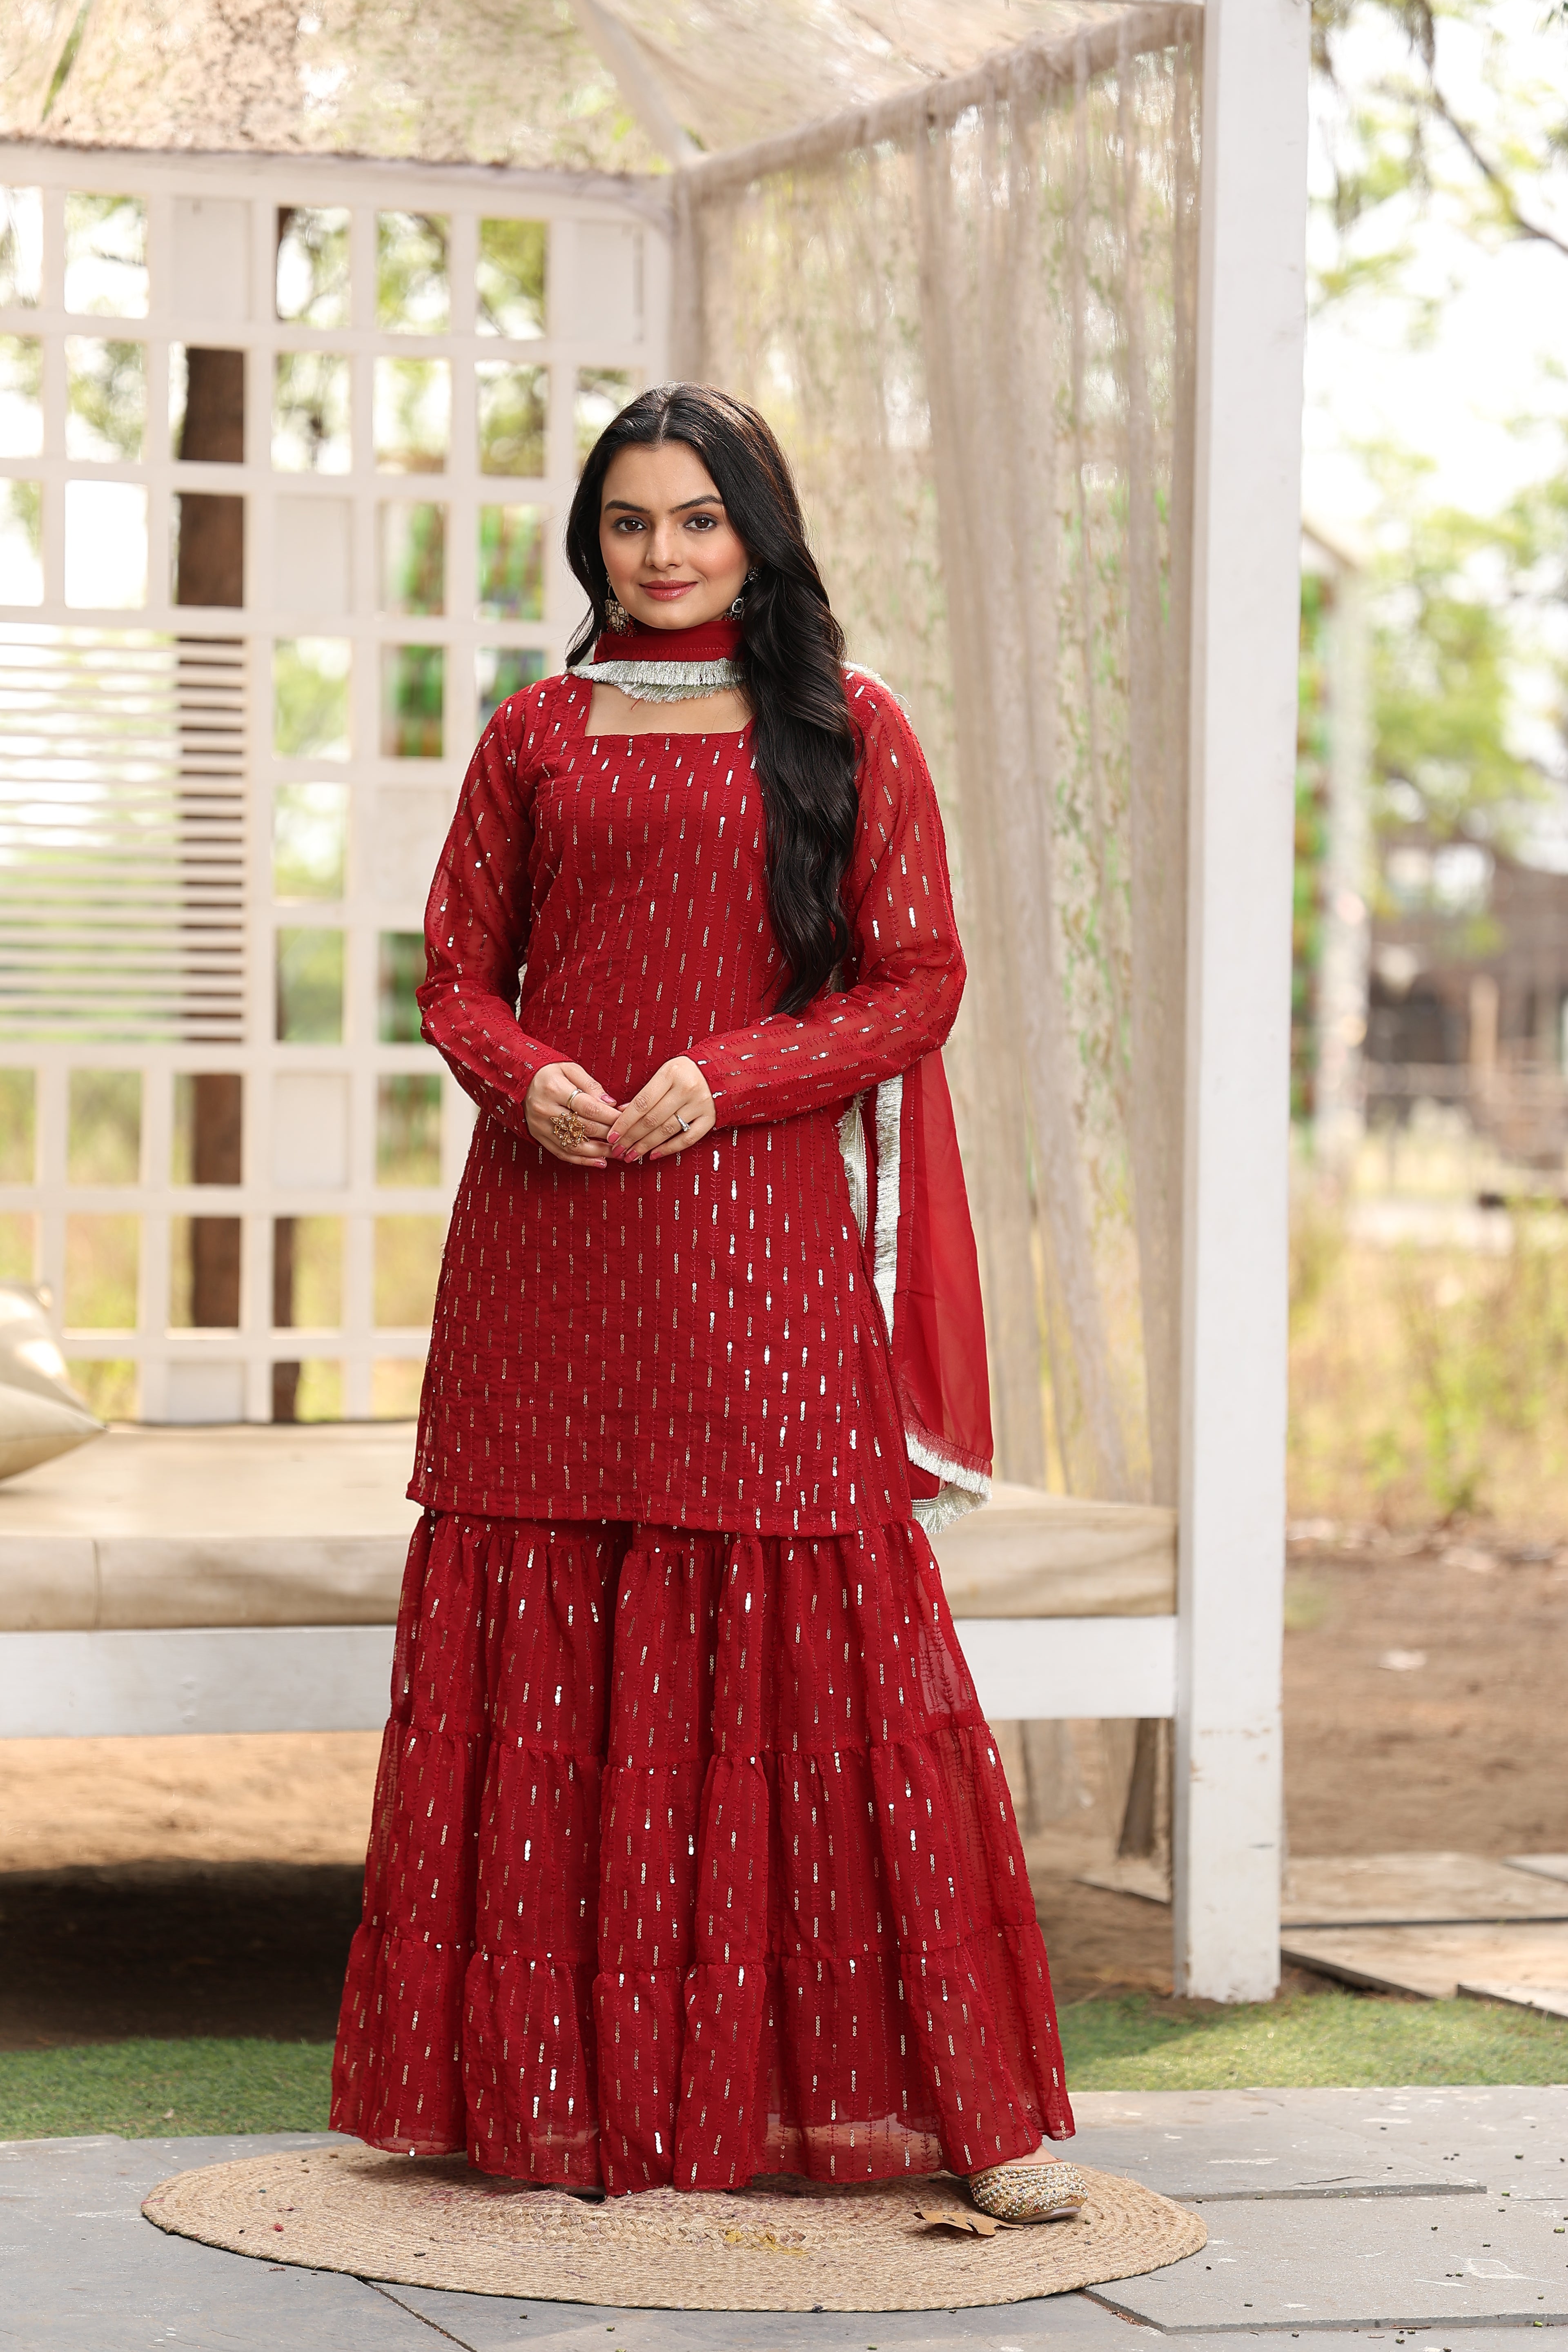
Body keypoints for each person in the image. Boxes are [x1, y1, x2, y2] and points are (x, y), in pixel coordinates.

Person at [331, 383, 1080, 2220]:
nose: (660, 556)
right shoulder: (535, 731)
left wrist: (725, 1078)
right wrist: (528, 1080)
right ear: (593, 541)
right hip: (549, 1240)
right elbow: (451, 972)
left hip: (754, 1242)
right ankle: (544, 2110)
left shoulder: (849, 732)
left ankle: (967, 2122)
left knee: (824, 1644)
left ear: (758, 531)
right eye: (627, 524)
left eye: (695, 521)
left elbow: (917, 987)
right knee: (549, 1639)